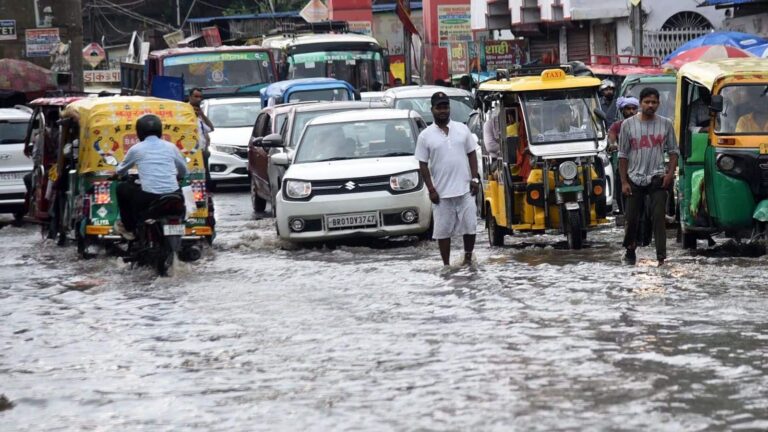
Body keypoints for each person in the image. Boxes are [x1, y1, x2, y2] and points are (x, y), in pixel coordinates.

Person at [415, 91, 480, 266]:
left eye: (445, 107)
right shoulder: (425, 136)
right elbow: (422, 164)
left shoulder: (462, 129)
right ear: (432, 109)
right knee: (442, 231)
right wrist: (431, 189)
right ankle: (446, 265)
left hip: (465, 188)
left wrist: (475, 179)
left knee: (470, 226)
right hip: (441, 193)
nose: (443, 111)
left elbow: (472, 153)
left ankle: (468, 259)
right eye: (439, 107)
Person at [618, 87, 679, 266]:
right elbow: (622, 155)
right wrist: (623, 182)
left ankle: (661, 257)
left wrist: (670, 174)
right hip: (634, 178)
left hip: (657, 177)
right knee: (632, 217)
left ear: (658, 104)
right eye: (647, 102)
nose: (650, 105)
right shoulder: (627, 125)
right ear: (641, 103)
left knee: (658, 217)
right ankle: (630, 249)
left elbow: (674, 151)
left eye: (654, 102)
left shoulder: (666, 124)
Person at [114, 114, 189, 241]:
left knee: (121, 189)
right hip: (175, 194)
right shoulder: (171, 147)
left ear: (139, 132)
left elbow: (120, 170)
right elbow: (184, 170)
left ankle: (129, 228)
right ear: (160, 130)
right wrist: (178, 177)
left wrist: (118, 175)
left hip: (149, 196)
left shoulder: (136, 149)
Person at [189, 87, 214, 188]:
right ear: (190, 97)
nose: (199, 99)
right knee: (193, 177)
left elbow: (211, 128)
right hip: (191, 153)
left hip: (202, 152)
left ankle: (205, 198)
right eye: (196, 96)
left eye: (200, 97)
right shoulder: (185, 111)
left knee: (205, 178)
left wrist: (202, 114)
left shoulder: (200, 113)